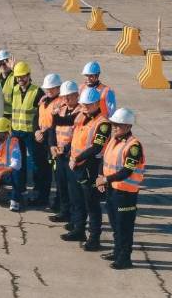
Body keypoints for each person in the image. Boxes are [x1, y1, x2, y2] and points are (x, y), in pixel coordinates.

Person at [59, 87, 111, 251]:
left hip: (90, 166)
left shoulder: (103, 124)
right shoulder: (81, 115)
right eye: (83, 105)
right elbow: (70, 129)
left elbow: (96, 147)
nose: (85, 108)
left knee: (92, 204)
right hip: (75, 165)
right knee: (76, 200)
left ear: (96, 104)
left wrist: (77, 158)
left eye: (88, 105)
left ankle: (94, 238)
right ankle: (78, 229)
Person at [96, 108, 145, 270]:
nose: (115, 127)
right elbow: (104, 160)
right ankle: (117, 251)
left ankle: (125, 258)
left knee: (124, 227)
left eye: (118, 125)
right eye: (114, 124)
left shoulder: (134, 146)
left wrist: (106, 179)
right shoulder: (113, 140)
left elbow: (127, 171)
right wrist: (100, 177)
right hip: (113, 189)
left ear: (128, 126)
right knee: (115, 224)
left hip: (126, 193)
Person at [9, 61, 45, 205]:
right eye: (18, 77)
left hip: (30, 133)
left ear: (29, 75)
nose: (20, 79)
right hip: (16, 132)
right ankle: (21, 188)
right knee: (19, 162)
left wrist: (39, 131)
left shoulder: (37, 92)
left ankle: (38, 190)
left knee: (36, 162)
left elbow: (42, 114)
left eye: (23, 76)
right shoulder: (14, 90)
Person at [48, 80, 79, 223]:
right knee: (61, 185)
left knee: (73, 188)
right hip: (59, 154)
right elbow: (52, 129)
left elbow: (79, 137)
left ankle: (74, 216)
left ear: (77, 95)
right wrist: (52, 145)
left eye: (69, 96)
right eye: (64, 96)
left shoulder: (80, 112)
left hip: (72, 155)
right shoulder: (61, 109)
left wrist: (65, 149)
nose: (66, 99)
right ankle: (64, 211)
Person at [34, 73, 62, 209]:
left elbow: (56, 124)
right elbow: (36, 117)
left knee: (58, 175)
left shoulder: (61, 103)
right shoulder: (43, 100)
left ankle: (58, 202)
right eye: (47, 88)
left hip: (53, 142)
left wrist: (43, 134)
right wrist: (36, 131)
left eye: (51, 88)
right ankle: (42, 197)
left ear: (58, 88)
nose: (48, 91)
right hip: (41, 141)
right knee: (43, 172)